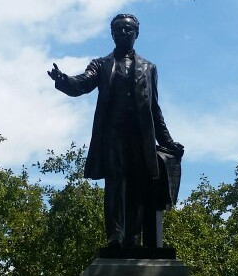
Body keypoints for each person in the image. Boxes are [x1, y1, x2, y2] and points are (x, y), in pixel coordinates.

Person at [48, 14, 183, 250]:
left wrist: (168, 141)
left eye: (127, 30)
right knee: (116, 185)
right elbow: (83, 83)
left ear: (136, 34)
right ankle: (116, 237)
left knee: (138, 186)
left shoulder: (149, 68)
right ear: (112, 34)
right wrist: (63, 80)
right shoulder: (100, 64)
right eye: (118, 30)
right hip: (113, 136)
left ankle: (134, 237)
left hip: (140, 137)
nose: (123, 33)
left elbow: (154, 108)